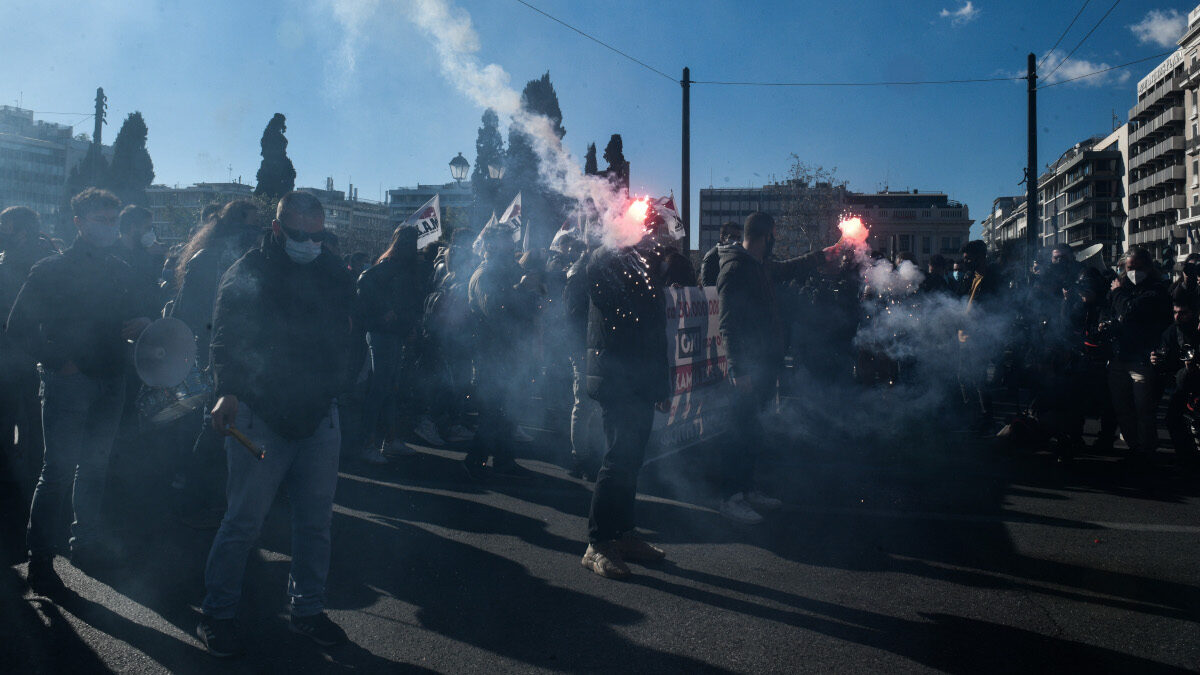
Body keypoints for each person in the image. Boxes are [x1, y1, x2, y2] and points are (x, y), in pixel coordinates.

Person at [197, 191, 354, 656]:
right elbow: (224, 336)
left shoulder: (332, 270)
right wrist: (226, 389)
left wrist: (340, 382)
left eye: (317, 234)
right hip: (259, 411)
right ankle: (218, 612)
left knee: (315, 522)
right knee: (243, 521)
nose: (309, 242)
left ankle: (307, 610)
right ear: (278, 228)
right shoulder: (248, 269)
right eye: (300, 234)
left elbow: (345, 329)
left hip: (319, 412)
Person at [7, 188, 152, 593]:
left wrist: (143, 321)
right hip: (68, 383)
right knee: (56, 473)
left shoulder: (122, 270)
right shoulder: (50, 270)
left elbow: (143, 315)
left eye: (113, 220)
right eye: (101, 220)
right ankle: (39, 559)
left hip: (112, 381)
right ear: (78, 223)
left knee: (94, 468)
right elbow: (17, 330)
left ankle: (84, 544)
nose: (109, 228)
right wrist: (58, 362)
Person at [716, 212, 843, 523]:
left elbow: (788, 269)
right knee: (740, 432)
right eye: (774, 235)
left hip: (762, 363)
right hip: (747, 366)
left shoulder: (757, 266)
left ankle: (747, 490)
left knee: (752, 431)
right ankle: (730, 497)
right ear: (766, 235)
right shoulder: (736, 268)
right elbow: (728, 324)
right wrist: (737, 368)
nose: (776, 241)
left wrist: (826, 253)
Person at [579, 217, 671, 579]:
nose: (649, 234)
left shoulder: (642, 263)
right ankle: (597, 543)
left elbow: (654, 331)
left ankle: (624, 533)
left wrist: (659, 386)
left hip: (641, 380)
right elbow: (613, 296)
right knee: (617, 460)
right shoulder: (604, 260)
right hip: (616, 380)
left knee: (633, 460)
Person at [170, 199, 262, 528]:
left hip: (239, 352)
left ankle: (206, 493)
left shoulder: (250, 260)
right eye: (251, 224)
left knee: (223, 426)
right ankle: (193, 494)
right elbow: (186, 312)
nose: (256, 231)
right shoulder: (207, 258)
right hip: (212, 352)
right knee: (213, 424)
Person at [464, 222, 537, 480]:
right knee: (494, 409)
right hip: (490, 352)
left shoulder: (507, 272)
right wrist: (521, 289)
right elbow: (494, 309)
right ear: (493, 245)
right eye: (508, 242)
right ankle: (478, 460)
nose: (513, 247)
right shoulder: (485, 274)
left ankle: (496, 459)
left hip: (508, 350)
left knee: (504, 409)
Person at [356, 226, 424, 464]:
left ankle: (389, 440)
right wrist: (384, 312)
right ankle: (367, 443)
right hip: (384, 334)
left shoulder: (398, 266)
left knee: (389, 389)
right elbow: (364, 282)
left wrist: (406, 325)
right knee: (380, 389)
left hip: (392, 334)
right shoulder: (392, 266)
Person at [1105, 247, 1171, 463]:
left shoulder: (1156, 290)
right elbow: (1113, 311)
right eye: (1130, 267)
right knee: (1122, 407)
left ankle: (1147, 448)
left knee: (1144, 408)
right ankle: (1134, 446)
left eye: (1138, 267)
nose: (1134, 272)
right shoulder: (1122, 288)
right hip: (1120, 356)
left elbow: (1130, 310)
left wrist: (1117, 293)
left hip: (1141, 359)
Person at [956, 240, 1005, 435]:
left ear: (981, 257)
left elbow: (998, 306)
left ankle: (985, 417)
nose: (966, 261)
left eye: (969, 258)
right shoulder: (969, 276)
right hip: (964, 335)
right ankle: (974, 414)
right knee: (963, 375)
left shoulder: (994, 278)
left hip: (981, 335)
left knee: (978, 378)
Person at [1153, 291, 1200, 468]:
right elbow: (1165, 358)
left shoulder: (1197, 329)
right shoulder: (1171, 332)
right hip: (1183, 382)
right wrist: (1156, 359)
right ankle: (1185, 457)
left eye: (1183, 313)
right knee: (1172, 418)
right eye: (1175, 312)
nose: (1178, 316)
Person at [699, 221, 741, 287]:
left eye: (738, 238)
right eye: (732, 237)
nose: (736, 241)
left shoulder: (738, 255)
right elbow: (707, 286)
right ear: (722, 237)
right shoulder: (712, 256)